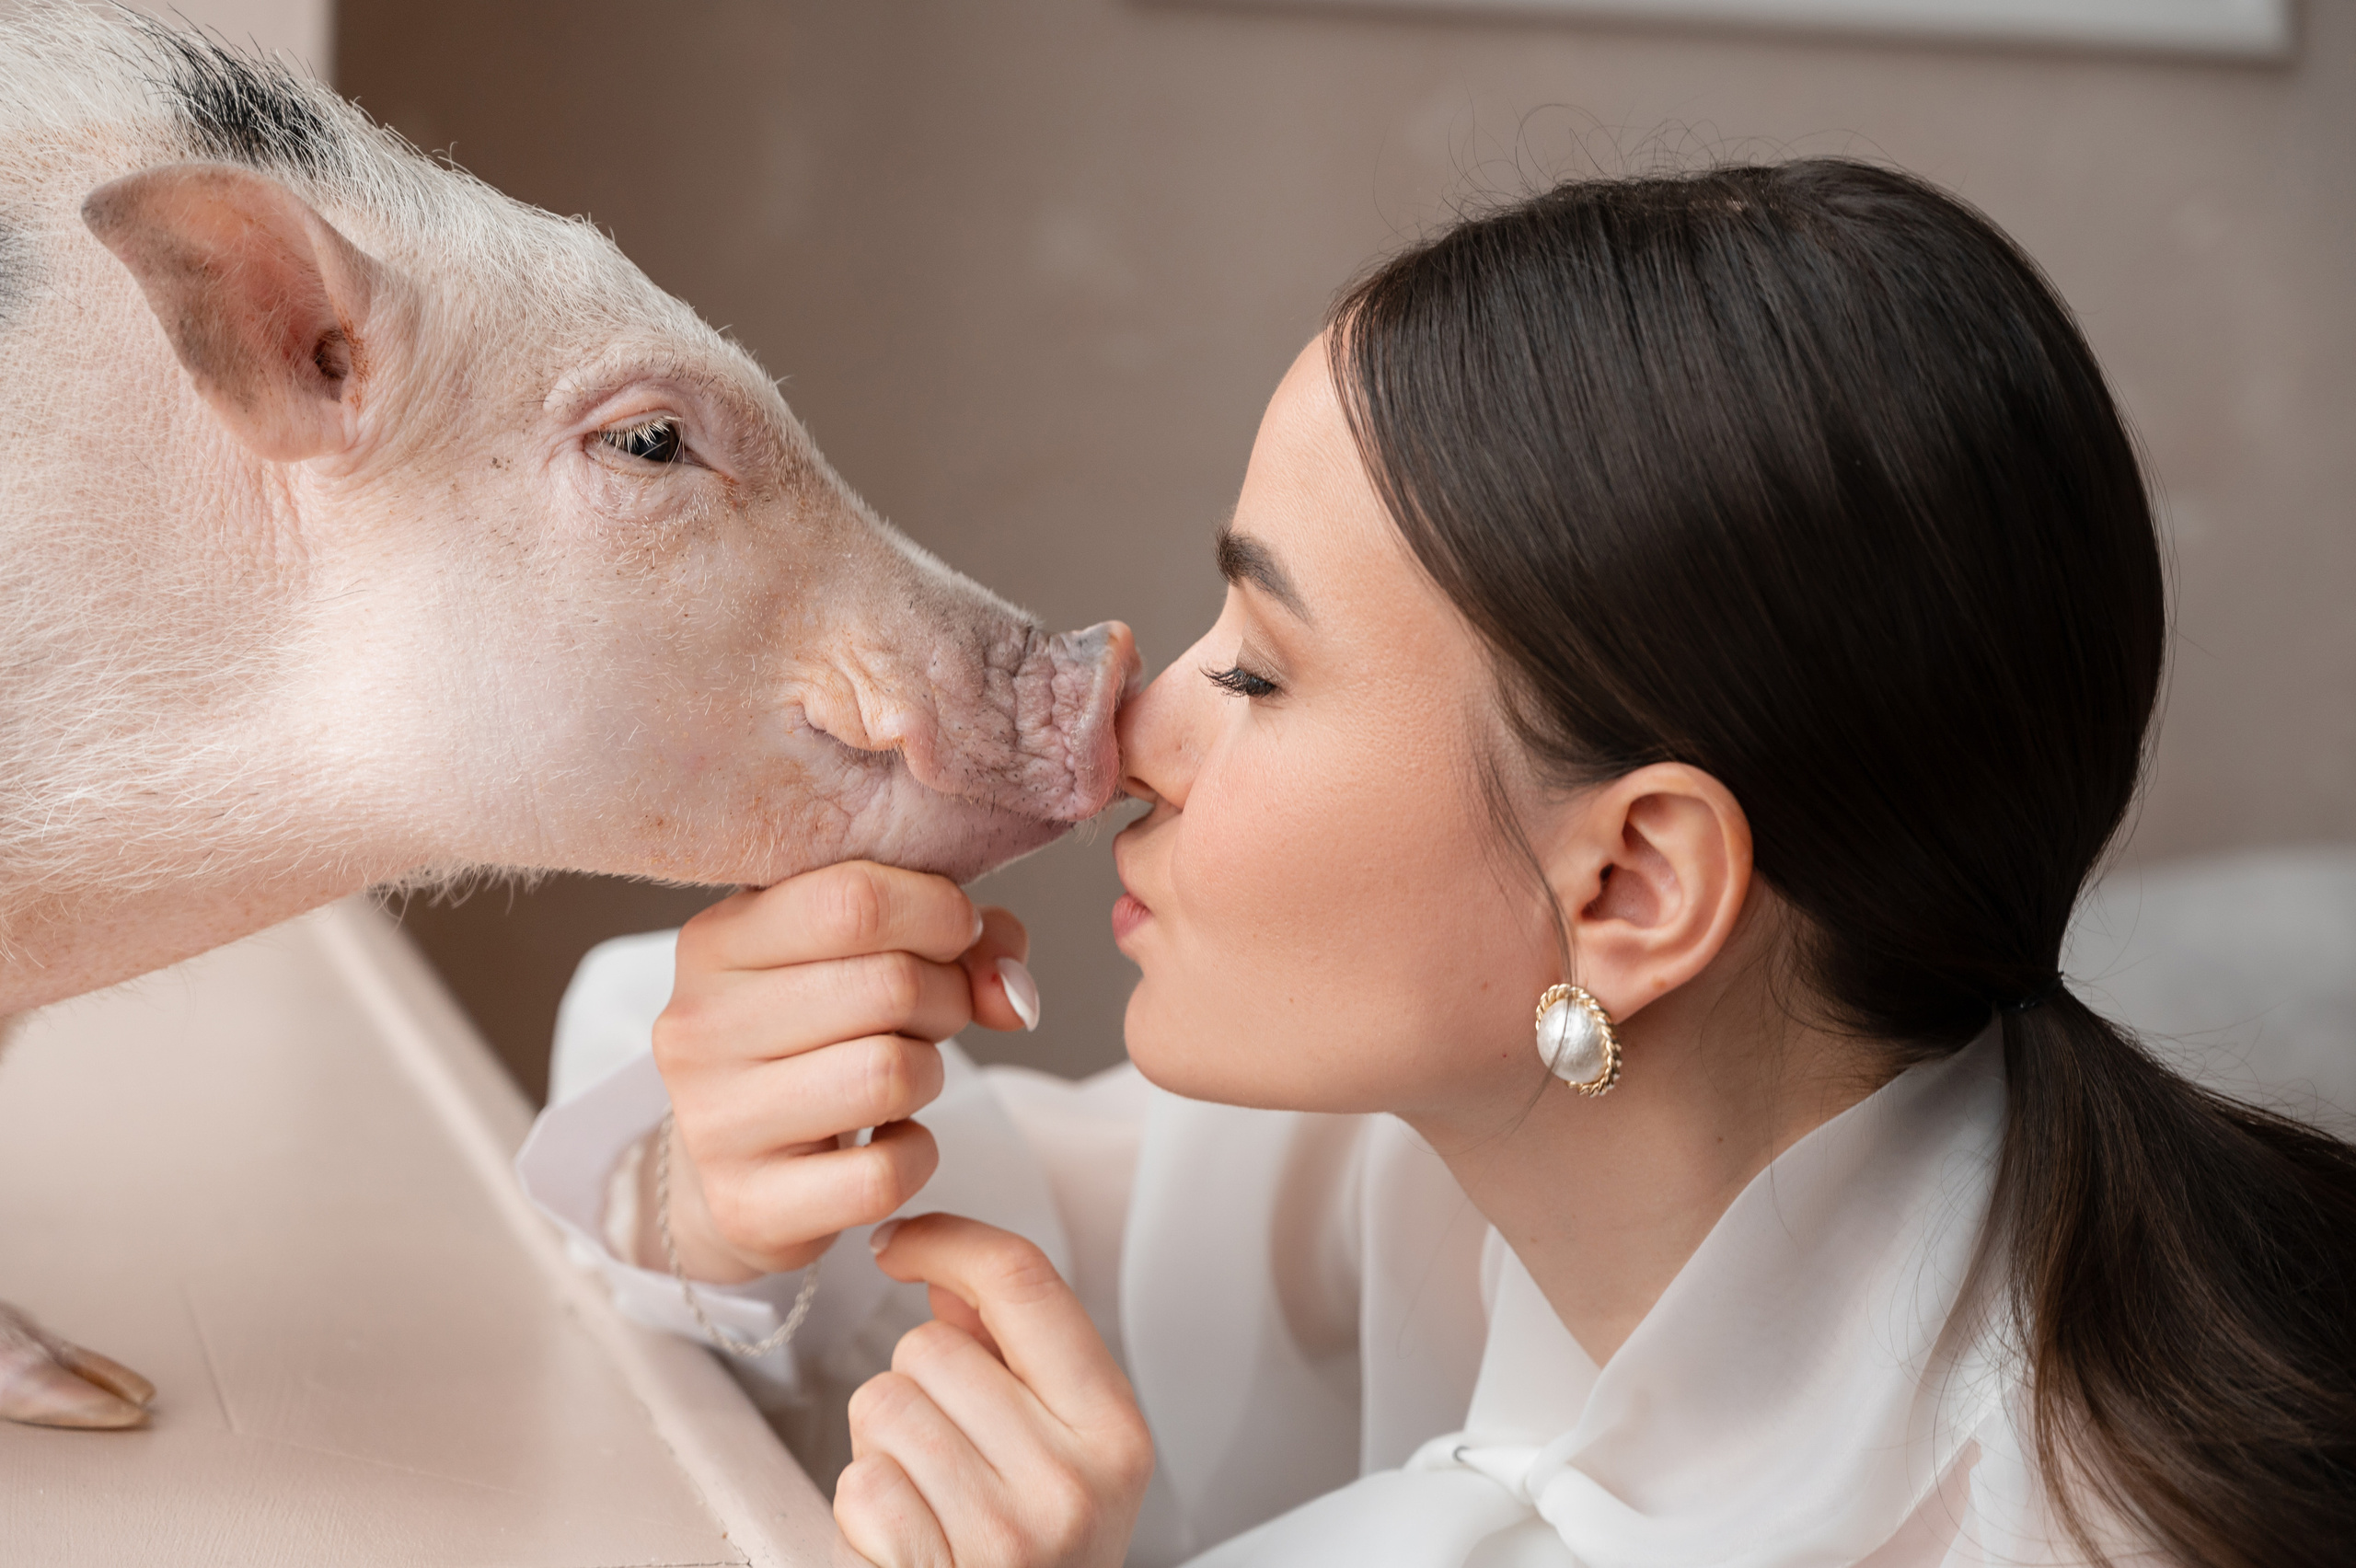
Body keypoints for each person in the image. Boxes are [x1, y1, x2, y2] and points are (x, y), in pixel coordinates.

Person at [516, 158, 2356, 1568]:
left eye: (1257, 663)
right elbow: (1019, 1250)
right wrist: (717, 1178)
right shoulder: (1483, 1153)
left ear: (1631, 887)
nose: (1129, 727)